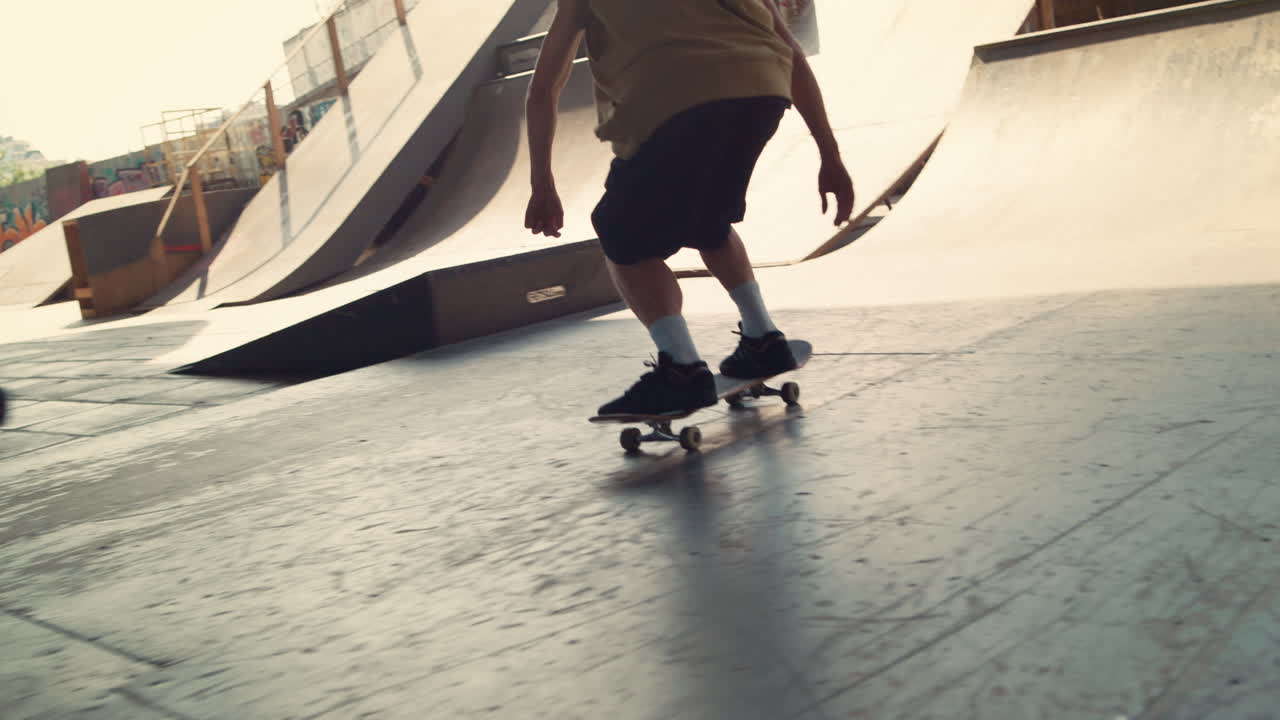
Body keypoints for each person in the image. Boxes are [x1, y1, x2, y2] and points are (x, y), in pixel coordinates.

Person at [524, 0, 854, 417]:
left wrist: (542, 184)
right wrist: (830, 154)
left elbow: (544, 88)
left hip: (674, 100)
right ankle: (763, 339)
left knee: (620, 233)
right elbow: (792, 53)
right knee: (709, 221)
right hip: (762, 91)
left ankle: (680, 368)